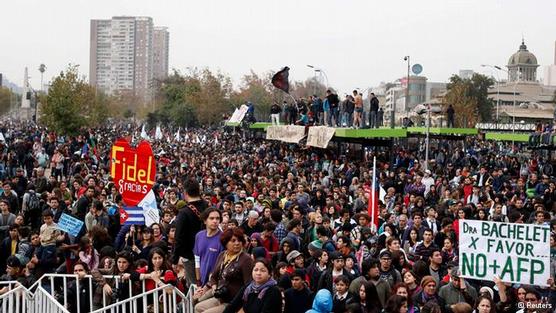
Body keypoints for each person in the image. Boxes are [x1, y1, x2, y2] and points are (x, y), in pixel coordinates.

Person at [195, 228, 253, 313]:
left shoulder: (246, 259)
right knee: (198, 307)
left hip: (233, 303)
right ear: (225, 243)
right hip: (220, 297)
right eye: (233, 241)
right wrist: (214, 288)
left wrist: (243, 307)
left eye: (239, 240)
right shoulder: (222, 255)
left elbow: (249, 286)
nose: (237, 243)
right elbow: (214, 277)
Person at [173, 177, 209, 286]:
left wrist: (175, 259)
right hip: (207, 253)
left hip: (190, 256)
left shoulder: (184, 212)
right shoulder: (207, 206)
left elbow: (179, 237)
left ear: (185, 193)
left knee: (194, 286)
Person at [194, 208, 224, 286]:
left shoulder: (223, 238)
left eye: (217, 218)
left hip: (215, 283)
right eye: (211, 218)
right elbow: (197, 260)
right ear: (205, 221)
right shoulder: (199, 236)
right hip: (201, 281)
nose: (215, 221)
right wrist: (198, 281)